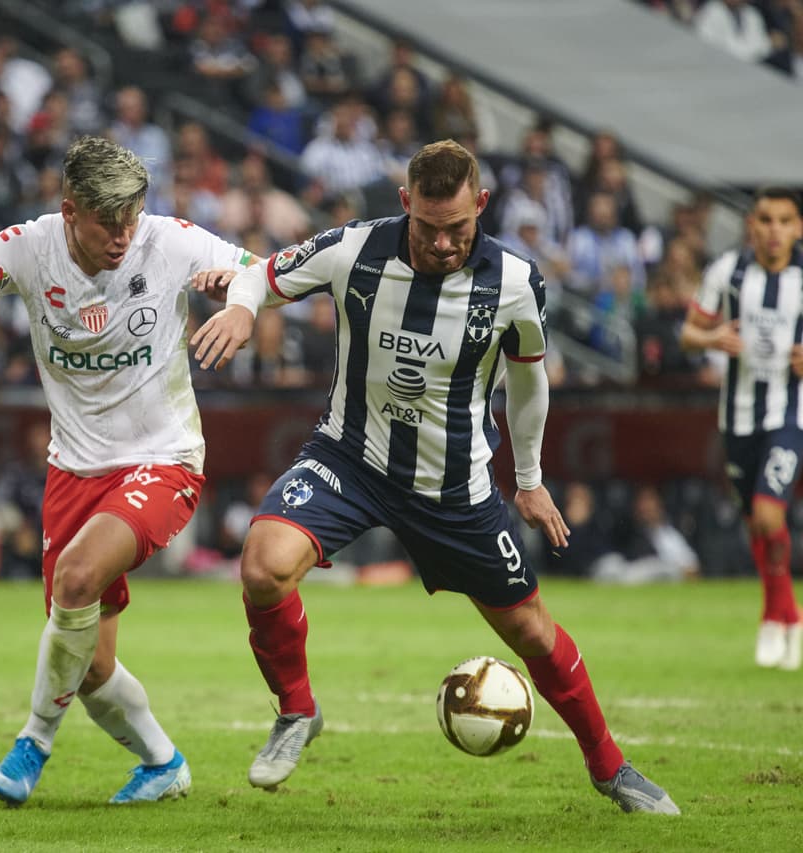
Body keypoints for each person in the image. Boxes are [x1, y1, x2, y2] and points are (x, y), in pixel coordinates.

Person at [191, 139, 680, 814]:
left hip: (454, 487)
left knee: (532, 631)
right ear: (405, 205)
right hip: (349, 458)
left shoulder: (513, 280)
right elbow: (261, 273)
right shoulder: (354, 248)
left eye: (458, 228)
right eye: (428, 227)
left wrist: (530, 478)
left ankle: (610, 766)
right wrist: (244, 307)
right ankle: (297, 711)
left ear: (480, 205)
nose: (444, 244)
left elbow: (529, 382)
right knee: (262, 565)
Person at [0, 135, 259, 806]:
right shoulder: (26, 246)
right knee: (90, 664)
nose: (124, 236)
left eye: (132, 218)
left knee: (74, 575)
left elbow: (269, 274)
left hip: (164, 458)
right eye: (107, 222)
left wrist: (239, 296)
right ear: (70, 210)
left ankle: (33, 740)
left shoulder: (172, 241)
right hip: (73, 469)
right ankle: (164, 762)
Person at [679, 186, 803, 671]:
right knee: (756, 522)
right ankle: (785, 615)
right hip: (737, 418)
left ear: (797, 227)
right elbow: (688, 333)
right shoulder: (727, 272)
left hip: (789, 417)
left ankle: (779, 616)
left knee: (770, 515)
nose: (774, 231)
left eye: (784, 221)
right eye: (766, 220)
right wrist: (712, 337)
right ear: (752, 225)